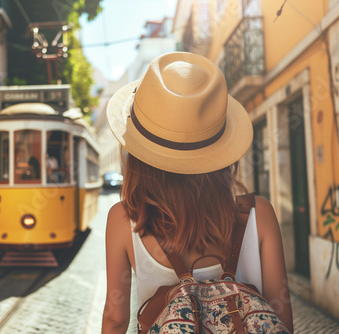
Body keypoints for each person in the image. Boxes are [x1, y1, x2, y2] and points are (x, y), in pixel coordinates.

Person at [102, 53, 293, 333]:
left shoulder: (123, 220)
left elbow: (116, 319)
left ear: (138, 154)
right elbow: (281, 317)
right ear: (220, 152)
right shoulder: (259, 213)